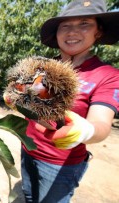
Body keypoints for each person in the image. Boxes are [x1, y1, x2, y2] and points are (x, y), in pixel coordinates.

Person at [21, 0, 119, 202]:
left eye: (84, 24)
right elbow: (27, 103)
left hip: (60, 165)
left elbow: (101, 123)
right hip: (27, 150)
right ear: (57, 33)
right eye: (65, 25)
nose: (72, 32)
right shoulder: (41, 67)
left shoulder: (107, 75)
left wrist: (85, 131)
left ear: (98, 32)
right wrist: (17, 98)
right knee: (29, 197)